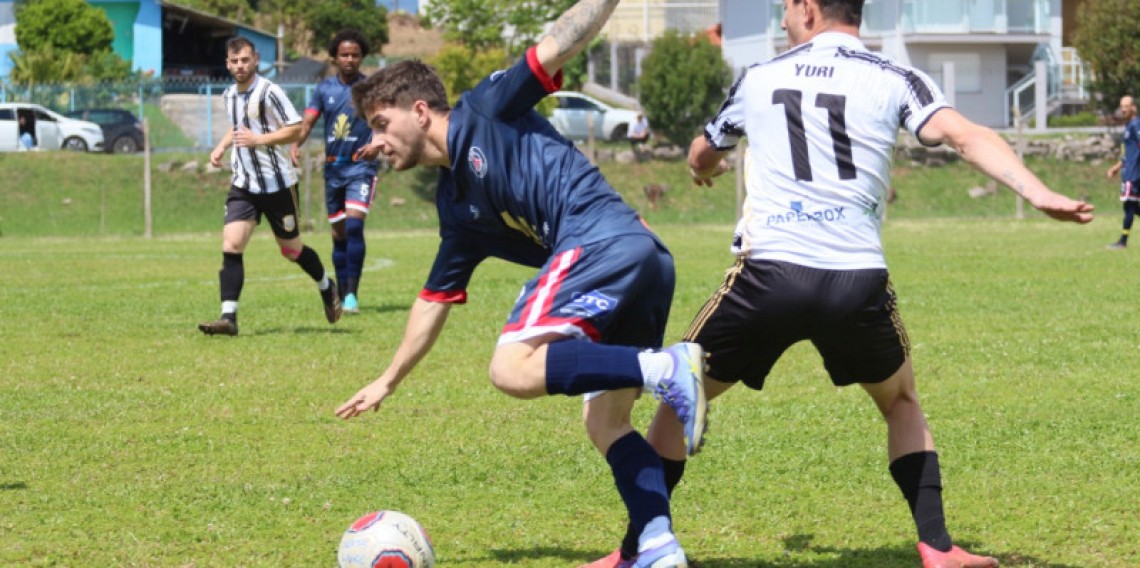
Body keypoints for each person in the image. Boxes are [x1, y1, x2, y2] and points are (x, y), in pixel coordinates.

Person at [584, 1, 1095, 567]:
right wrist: (1038, 192)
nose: (781, 19)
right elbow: (963, 134)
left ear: (807, 7)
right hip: (855, 280)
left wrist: (705, 169)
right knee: (900, 401)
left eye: (783, 8)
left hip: (767, 278)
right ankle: (939, 549)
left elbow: (703, 149)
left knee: (682, 400)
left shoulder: (760, 77)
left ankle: (636, 550)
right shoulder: (895, 76)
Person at [333, 1, 707, 566]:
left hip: (599, 240)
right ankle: (654, 544)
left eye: (381, 124)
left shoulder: (485, 108)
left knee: (511, 367)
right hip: (642, 256)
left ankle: (666, 367)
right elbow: (433, 301)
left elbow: (561, 41)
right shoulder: (456, 206)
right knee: (605, 420)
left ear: (420, 110)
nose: (377, 141)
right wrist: (388, 379)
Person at [198, 36, 342, 337]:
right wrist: (222, 146)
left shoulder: (269, 92)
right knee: (231, 244)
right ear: (227, 64)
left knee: (291, 250)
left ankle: (327, 287)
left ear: (256, 61)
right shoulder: (228, 95)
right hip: (244, 184)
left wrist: (258, 140)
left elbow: (296, 128)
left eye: (245, 60)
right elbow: (237, 126)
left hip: (278, 185)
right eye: (234, 61)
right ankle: (229, 317)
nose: (240, 66)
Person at [292, 29, 383, 312]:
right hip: (333, 170)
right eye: (344, 54)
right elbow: (307, 122)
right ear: (334, 58)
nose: (350, 59)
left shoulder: (370, 88)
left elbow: (383, 122)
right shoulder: (323, 89)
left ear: (362, 58)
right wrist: (295, 145)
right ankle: (342, 293)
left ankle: (353, 294)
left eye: (355, 55)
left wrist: (378, 143)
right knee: (339, 234)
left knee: (355, 226)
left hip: (362, 166)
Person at [1106, 95, 1139, 250]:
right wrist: (1116, 167)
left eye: (1126, 106)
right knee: (1130, 206)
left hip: (1134, 173)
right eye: (1121, 106)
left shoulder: (1136, 125)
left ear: (1133, 107)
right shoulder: (1128, 126)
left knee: (1129, 207)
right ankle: (1122, 242)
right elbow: (1128, 154)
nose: (1123, 109)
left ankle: (1122, 242)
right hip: (1129, 171)